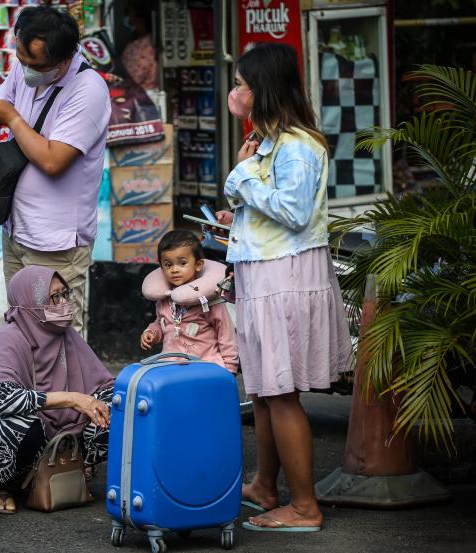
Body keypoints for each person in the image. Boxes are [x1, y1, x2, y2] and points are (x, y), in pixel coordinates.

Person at [215, 43, 352, 532]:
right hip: (265, 271)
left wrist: (242, 176)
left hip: (285, 276)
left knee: (282, 391)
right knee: (267, 390)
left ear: (263, 89)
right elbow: (277, 208)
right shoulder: (271, 143)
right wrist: (242, 213)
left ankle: (305, 507)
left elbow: (294, 212)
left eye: (241, 84)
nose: (235, 93)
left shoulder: (297, 144)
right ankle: (265, 485)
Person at [0, 6, 111, 333]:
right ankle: (28, 388)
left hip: (57, 244)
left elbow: (53, 160)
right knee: (22, 332)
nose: (25, 69)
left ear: (64, 59)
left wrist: (12, 119)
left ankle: (66, 388)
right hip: (16, 231)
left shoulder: (88, 90)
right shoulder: (25, 65)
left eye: (35, 64)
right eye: (21, 58)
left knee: (59, 338)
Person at [0, 265, 115, 515]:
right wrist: (72, 399)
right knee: (20, 423)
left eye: (66, 294)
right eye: (54, 298)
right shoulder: (9, 338)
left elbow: (105, 386)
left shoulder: (65, 334)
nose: (64, 303)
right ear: (29, 303)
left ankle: (65, 467)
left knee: (116, 406)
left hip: (55, 442)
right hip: (14, 444)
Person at [139, 230, 238, 373]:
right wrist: (152, 333)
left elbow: (226, 334)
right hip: (170, 369)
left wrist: (230, 368)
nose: (174, 269)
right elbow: (162, 323)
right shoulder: (165, 300)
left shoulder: (210, 301)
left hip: (205, 370)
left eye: (182, 263)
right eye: (168, 264)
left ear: (198, 265)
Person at [120, 0, 159, 91]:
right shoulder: (138, 41)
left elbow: (134, 77)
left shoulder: (144, 46)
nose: (127, 15)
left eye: (130, 11)